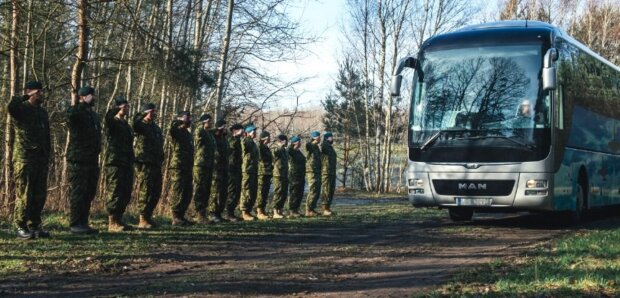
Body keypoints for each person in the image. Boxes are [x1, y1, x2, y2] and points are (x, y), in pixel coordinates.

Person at [8, 81, 51, 239]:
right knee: (25, 194)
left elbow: (47, 136)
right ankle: (21, 226)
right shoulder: (21, 109)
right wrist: (26, 96)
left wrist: (47, 155)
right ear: (30, 92)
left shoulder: (42, 112)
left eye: (42, 92)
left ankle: (35, 225)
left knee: (39, 194)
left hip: (40, 158)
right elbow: (11, 106)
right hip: (24, 158)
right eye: (38, 92)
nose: (41, 94)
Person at [67, 86, 101, 234]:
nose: (93, 98)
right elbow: (70, 117)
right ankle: (75, 223)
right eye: (90, 95)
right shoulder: (76, 111)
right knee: (78, 192)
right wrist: (80, 103)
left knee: (89, 192)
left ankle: (83, 222)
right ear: (83, 97)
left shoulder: (93, 115)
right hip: (78, 159)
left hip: (91, 159)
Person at [104, 97, 135, 232]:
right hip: (115, 161)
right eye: (124, 107)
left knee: (125, 191)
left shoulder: (126, 125)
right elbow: (108, 118)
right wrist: (117, 108)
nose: (126, 109)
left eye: (127, 107)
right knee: (115, 191)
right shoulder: (113, 122)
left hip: (127, 161)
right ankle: (112, 221)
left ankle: (119, 219)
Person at [133, 102, 164, 229]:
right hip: (144, 162)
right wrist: (142, 113)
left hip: (156, 163)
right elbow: (135, 123)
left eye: (153, 111)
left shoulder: (156, 128)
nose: (152, 113)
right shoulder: (141, 125)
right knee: (145, 190)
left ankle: (149, 216)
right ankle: (143, 218)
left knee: (155, 191)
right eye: (149, 111)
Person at [169, 111, 194, 226]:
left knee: (187, 191)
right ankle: (175, 216)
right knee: (178, 190)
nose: (189, 120)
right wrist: (179, 120)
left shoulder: (188, 134)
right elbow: (172, 128)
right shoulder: (176, 131)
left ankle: (181, 216)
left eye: (189, 118)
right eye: (187, 118)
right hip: (178, 165)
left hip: (188, 165)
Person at [193, 114, 217, 224]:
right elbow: (197, 135)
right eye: (209, 121)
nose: (211, 123)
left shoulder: (210, 134)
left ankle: (203, 214)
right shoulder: (200, 131)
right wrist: (201, 124)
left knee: (206, 189)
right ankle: (198, 214)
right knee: (200, 189)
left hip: (208, 164)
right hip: (200, 164)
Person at [208, 119, 229, 222]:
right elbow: (208, 133)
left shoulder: (224, 139)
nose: (226, 128)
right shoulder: (213, 136)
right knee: (215, 190)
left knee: (223, 191)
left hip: (224, 167)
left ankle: (219, 212)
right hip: (216, 167)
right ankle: (213, 213)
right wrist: (217, 129)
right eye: (224, 126)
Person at [224, 123, 244, 222]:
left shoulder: (237, 140)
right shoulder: (231, 139)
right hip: (231, 169)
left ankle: (231, 212)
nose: (243, 132)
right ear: (235, 131)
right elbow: (230, 150)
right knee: (231, 191)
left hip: (237, 169)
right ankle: (228, 213)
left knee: (236, 191)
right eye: (241, 130)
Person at [240, 124, 260, 221]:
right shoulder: (245, 141)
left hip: (253, 170)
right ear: (247, 132)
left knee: (252, 191)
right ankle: (244, 212)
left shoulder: (253, 143)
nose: (255, 132)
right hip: (247, 170)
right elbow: (242, 153)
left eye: (255, 131)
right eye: (253, 131)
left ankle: (248, 210)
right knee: (246, 190)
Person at [256, 130, 273, 220]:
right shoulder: (260, 147)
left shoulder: (266, 147)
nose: (270, 138)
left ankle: (263, 210)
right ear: (265, 138)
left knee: (265, 192)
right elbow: (260, 159)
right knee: (261, 192)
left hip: (268, 172)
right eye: (269, 136)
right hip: (262, 173)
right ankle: (259, 212)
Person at [287, 135, 306, 218]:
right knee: (294, 192)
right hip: (294, 175)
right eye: (299, 141)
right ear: (295, 142)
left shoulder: (298, 151)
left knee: (299, 192)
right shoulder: (290, 150)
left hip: (301, 174)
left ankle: (296, 209)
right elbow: (287, 151)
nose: (300, 143)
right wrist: (291, 144)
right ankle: (292, 210)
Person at [271, 134, 289, 219]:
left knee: (283, 193)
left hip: (284, 174)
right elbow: (274, 155)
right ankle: (275, 211)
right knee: (278, 192)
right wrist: (280, 145)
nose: (287, 142)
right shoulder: (276, 149)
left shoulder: (284, 150)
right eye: (285, 141)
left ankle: (280, 210)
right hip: (278, 174)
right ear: (281, 141)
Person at [305, 131, 322, 217]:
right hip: (311, 171)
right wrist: (313, 140)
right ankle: (308, 210)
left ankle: (312, 208)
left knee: (317, 191)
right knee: (313, 190)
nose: (320, 138)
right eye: (319, 137)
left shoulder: (316, 147)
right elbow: (308, 145)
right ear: (315, 138)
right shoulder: (311, 146)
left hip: (317, 171)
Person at [320, 132, 337, 216]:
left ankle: (328, 207)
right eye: (330, 137)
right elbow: (324, 148)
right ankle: (324, 208)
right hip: (326, 172)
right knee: (326, 190)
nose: (332, 138)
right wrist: (326, 140)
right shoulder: (325, 145)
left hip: (331, 172)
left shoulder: (330, 147)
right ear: (327, 138)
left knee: (331, 190)